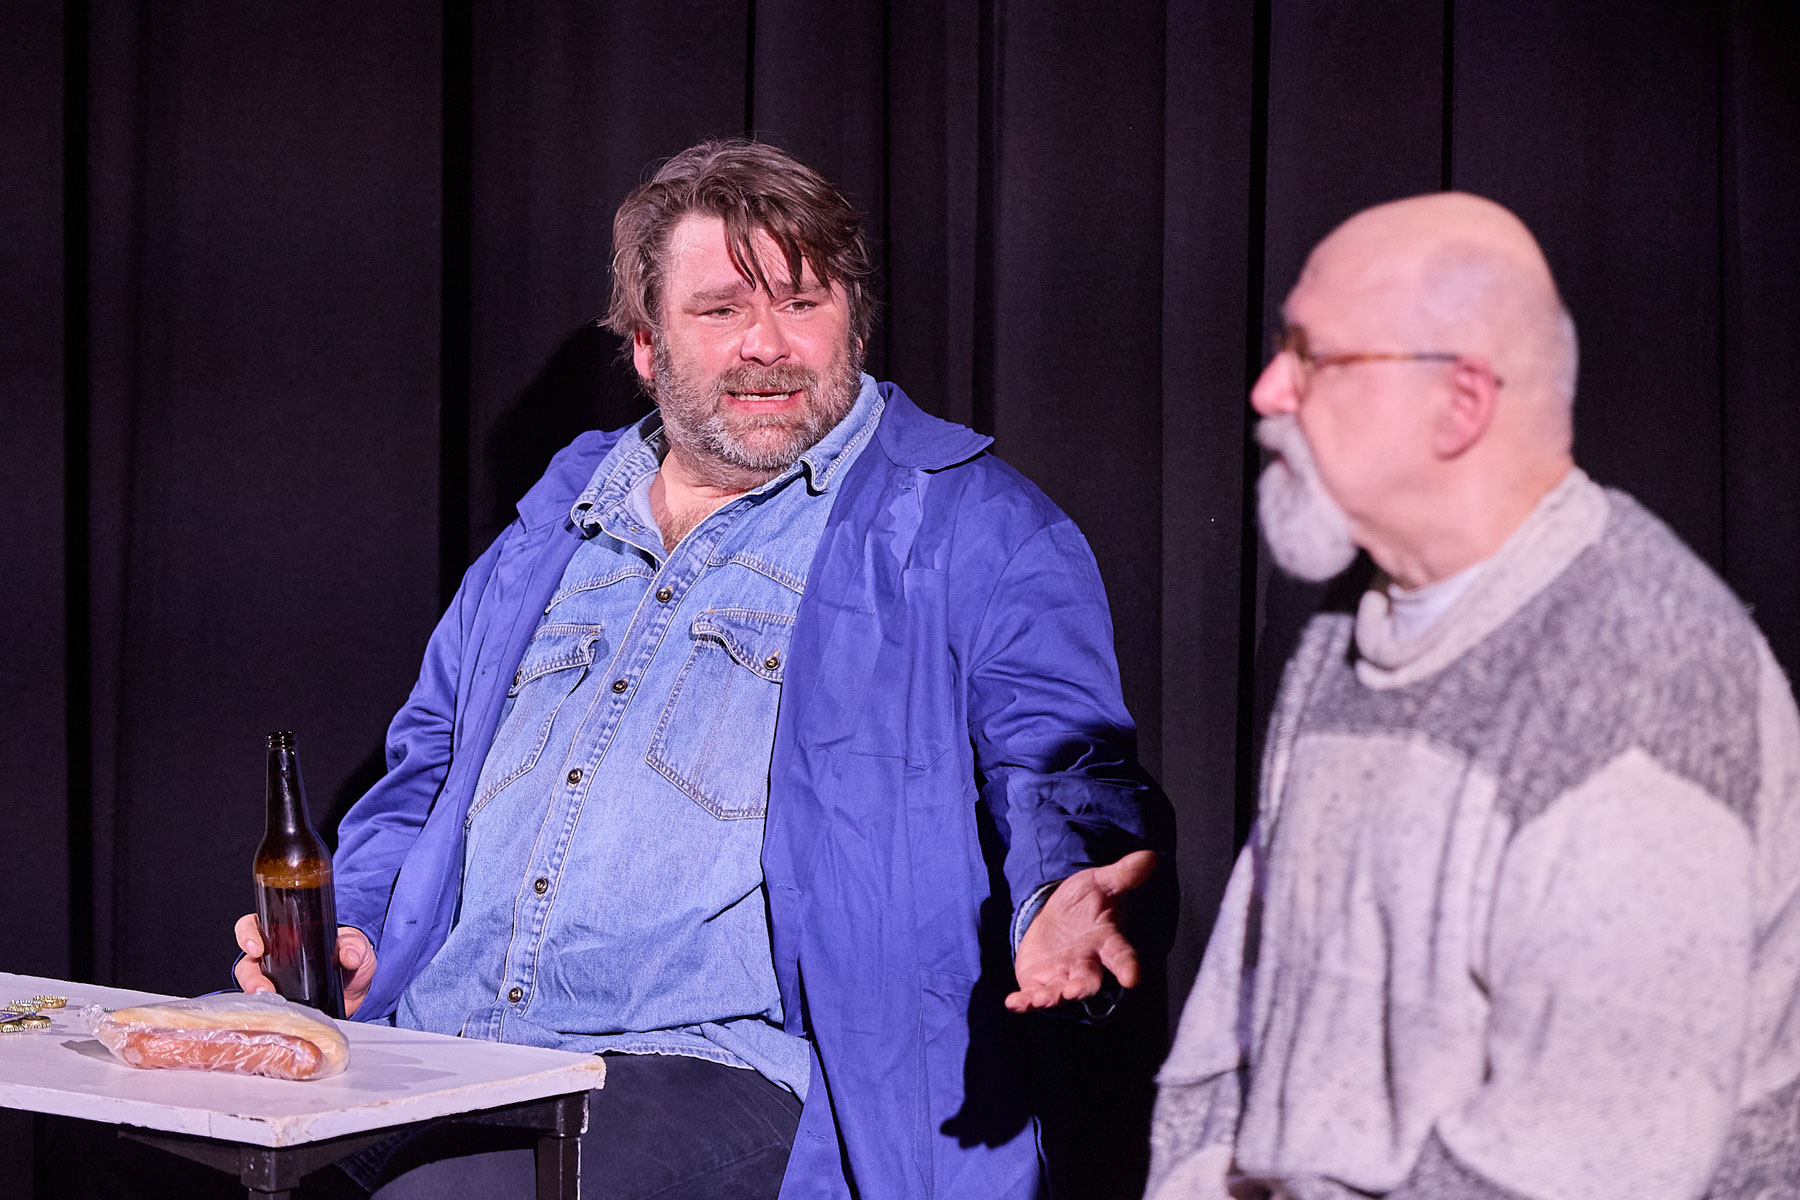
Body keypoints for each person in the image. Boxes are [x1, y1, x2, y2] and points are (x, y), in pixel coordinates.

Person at [231, 139, 1163, 1199]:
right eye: (721, 310)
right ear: (645, 345)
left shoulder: (969, 527)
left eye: (803, 304)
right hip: (449, 1042)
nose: (768, 344)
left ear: (853, 325)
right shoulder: (553, 532)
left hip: (722, 1064)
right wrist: (350, 926)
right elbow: (428, 773)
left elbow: (1065, 759)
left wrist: (1066, 884)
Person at [1146, 194, 1800, 1199]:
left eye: (1313, 356)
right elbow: (1235, 1019)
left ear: (1461, 403)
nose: (1268, 389)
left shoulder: (1642, 672)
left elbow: (1585, 1166)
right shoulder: (1342, 635)